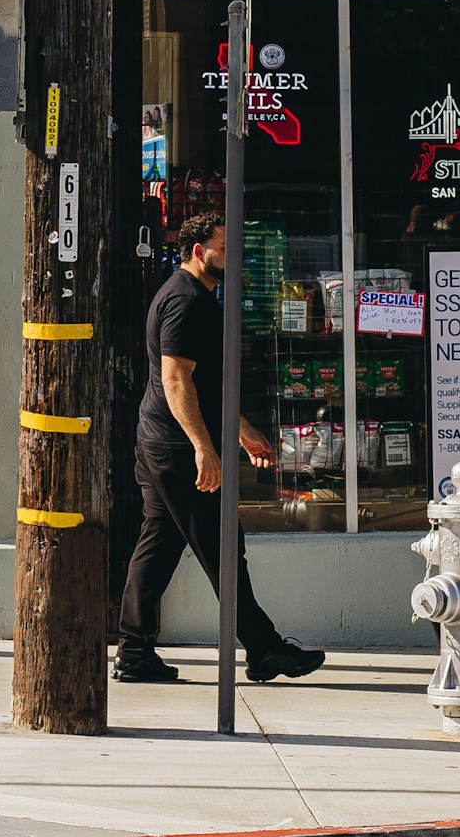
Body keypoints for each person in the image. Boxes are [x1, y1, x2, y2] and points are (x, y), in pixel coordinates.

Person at [119, 212, 327, 687]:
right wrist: (202, 448)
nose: (234, 256)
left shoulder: (191, 296)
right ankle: (265, 649)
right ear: (199, 251)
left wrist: (242, 432)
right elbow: (176, 381)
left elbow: (206, 388)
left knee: (158, 547)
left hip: (160, 442)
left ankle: (134, 651)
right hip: (176, 448)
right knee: (224, 549)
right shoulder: (186, 301)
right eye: (224, 247)